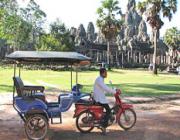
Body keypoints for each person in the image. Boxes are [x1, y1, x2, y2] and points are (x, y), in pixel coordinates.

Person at [93, 68, 116, 134]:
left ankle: (103, 121)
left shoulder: (100, 79)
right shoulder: (99, 80)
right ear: (102, 73)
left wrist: (112, 90)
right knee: (108, 111)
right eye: (105, 73)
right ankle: (103, 126)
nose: (106, 74)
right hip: (99, 99)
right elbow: (105, 88)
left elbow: (103, 89)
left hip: (100, 97)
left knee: (107, 110)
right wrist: (113, 91)